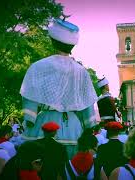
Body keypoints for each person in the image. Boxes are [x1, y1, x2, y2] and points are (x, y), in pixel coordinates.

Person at [20, 18, 98, 155]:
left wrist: (30, 119)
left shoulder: (39, 67)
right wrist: (89, 125)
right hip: (73, 128)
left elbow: (30, 95)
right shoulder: (81, 71)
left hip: (44, 125)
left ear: (52, 41)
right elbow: (87, 104)